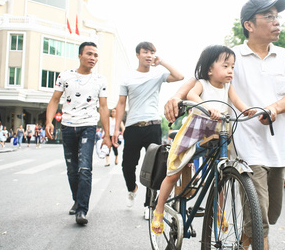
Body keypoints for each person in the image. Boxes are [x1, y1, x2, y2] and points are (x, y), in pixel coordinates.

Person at [165, 0, 285, 250]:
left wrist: (273, 108)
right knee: (261, 217)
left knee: (270, 213)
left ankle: (243, 248)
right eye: (268, 16)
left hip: (278, 146)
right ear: (249, 24)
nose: (276, 20)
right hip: (244, 145)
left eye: (276, 15)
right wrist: (176, 96)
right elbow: (198, 74)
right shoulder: (233, 56)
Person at [152, 45, 254, 233]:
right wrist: (207, 108)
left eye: (232, 66)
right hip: (196, 129)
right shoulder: (202, 82)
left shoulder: (228, 87)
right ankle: (158, 210)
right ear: (209, 69)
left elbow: (239, 103)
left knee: (221, 174)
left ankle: (218, 210)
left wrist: (250, 111)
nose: (230, 70)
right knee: (174, 172)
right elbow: (192, 94)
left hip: (220, 130)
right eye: (225, 66)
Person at [113, 41, 184, 219]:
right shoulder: (127, 78)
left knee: (153, 168)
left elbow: (180, 76)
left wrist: (162, 61)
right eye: (145, 52)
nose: (149, 55)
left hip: (152, 125)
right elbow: (121, 104)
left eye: (152, 52)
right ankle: (132, 188)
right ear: (137, 54)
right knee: (128, 166)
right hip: (132, 127)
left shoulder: (157, 75)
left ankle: (149, 204)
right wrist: (116, 129)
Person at [46, 41, 111, 226]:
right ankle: (77, 199)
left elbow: (104, 107)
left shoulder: (100, 80)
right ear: (80, 55)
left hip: (88, 126)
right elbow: (54, 100)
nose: (93, 58)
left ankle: (82, 209)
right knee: (72, 170)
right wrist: (49, 122)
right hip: (67, 126)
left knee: (85, 168)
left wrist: (107, 134)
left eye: (96, 55)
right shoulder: (65, 76)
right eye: (89, 54)